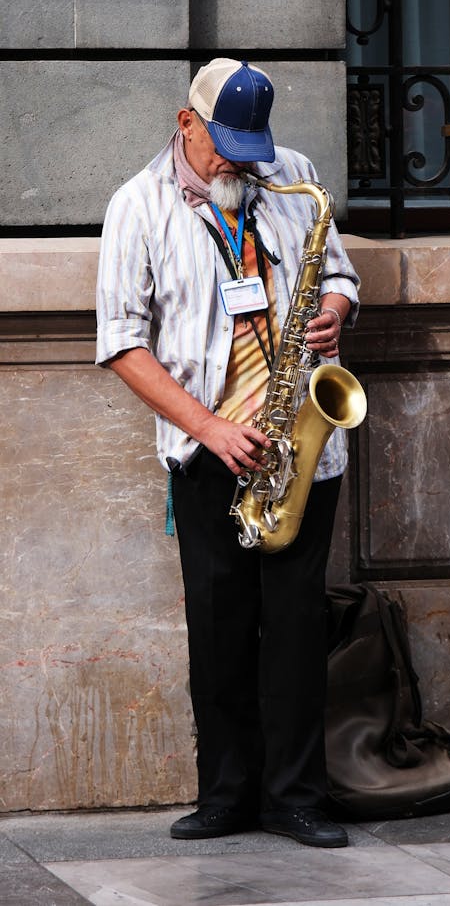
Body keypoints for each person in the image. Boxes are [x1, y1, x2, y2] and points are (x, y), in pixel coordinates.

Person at [96, 58, 360, 848]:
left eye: (253, 145)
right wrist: (210, 428)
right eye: (226, 146)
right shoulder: (136, 207)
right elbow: (120, 343)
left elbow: (338, 270)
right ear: (186, 124)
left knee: (295, 628)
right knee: (219, 627)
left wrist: (337, 308)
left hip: (298, 447)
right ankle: (226, 794)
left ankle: (296, 796)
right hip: (209, 449)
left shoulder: (293, 176)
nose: (242, 163)